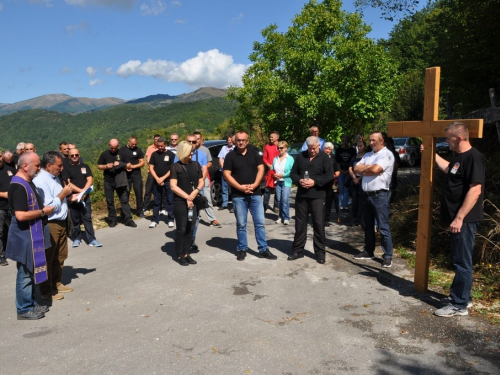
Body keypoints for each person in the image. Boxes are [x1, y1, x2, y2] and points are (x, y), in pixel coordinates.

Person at [430, 122, 485, 317]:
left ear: (459, 138)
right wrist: (431, 153)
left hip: (465, 220)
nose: (446, 141)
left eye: (448, 138)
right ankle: (463, 297)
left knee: (462, 261)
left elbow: (475, 189)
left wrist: (460, 217)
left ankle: (459, 304)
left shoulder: (473, 158)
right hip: (457, 218)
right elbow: (449, 170)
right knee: (459, 259)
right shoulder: (459, 158)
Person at [6, 152, 54, 320]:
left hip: (31, 233)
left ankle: (32, 303)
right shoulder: (18, 186)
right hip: (24, 235)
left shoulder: (27, 181)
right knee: (25, 272)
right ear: (25, 166)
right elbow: (20, 215)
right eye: (36, 165)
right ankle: (24, 308)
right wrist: (43, 211)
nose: (39, 168)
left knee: (31, 269)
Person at [223, 131, 277, 261]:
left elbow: (261, 169)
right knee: (241, 224)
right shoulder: (230, 156)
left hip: (255, 193)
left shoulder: (254, 153)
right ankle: (242, 248)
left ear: (247, 141)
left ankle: (263, 249)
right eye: (238, 140)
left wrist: (255, 184)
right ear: (235, 141)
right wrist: (239, 187)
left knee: (259, 223)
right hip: (238, 195)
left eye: (243, 140)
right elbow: (226, 174)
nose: (241, 142)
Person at [33, 151, 74, 300]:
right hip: (50, 222)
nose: (61, 168)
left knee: (60, 255)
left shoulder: (54, 177)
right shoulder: (41, 181)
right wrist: (63, 194)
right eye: (59, 165)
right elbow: (48, 205)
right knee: (47, 257)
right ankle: (46, 290)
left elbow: (58, 199)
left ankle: (56, 282)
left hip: (61, 221)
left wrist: (68, 196)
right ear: (49, 165)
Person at [289, 136, 333, 264]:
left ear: (318, 146)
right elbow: (293, 173)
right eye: (310, 149)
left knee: (318, 224)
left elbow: (329, 175)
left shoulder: (324, 157)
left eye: (314, 148)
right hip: (302, 196)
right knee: (300, 224)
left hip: (318, 196)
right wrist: (299, 180)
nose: (312, 151)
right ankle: (297, 250)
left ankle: (320, 252)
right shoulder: (301, 156)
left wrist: (315, 182)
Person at [353, 132, 395, 267]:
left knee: (383, 226)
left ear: (381, 141)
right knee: (368, 226)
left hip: (379, 195)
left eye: (374, 140)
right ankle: (369, 251)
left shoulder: (387, 154)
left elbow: (376, 169)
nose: (371, 143)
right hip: (366, 194)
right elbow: (356, 169)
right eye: (370, 140)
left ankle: (387, 255)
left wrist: (367, 169)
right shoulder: (368, 155)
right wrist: (369, 169)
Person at [170, 141, 205, 266]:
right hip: (180, 202)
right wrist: (187, 198)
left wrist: (195, 192)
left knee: (190, 228)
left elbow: (201, 181)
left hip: (193, 201)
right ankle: (179, 255)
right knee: (181, 229)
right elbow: (173, 186)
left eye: (192, 152)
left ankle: (187, 253)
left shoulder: (196, 165)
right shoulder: (176, 167)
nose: (191, 154)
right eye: (189, 152)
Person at [62, 148, 102, 248]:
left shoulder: (85, 166)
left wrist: (84, 192)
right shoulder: (66, 168)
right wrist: (81, 192)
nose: (74, 157)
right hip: (73, 197)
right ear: (69, 156)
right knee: (75, 220)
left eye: (76, 155)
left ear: (79, 155)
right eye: (72, 155)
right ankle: (77, 238)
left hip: (85, 197)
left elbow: (90, 180)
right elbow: (67, 183)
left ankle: (92, 239)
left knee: (87, 218)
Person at [97, 139, 136, 228]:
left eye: (115, 148)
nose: (113, 149)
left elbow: (129, 165)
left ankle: (128, 219)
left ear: (118, 145)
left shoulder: (122, 153)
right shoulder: (104, 154)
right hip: (108, 181)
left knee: (124, 200)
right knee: (110, 201)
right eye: (112, 147)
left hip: (120, 180)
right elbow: (99, 166)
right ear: (109, 145)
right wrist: (106, 166)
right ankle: (112, 219)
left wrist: (120, 163)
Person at [193, 131, 222, 228]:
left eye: (198, 138)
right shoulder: (188, 150)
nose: (197, 140)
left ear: (201, 139)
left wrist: (203, 167)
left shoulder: (205, 150)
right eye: (195, 138)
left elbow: (210, 162)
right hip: (191, 178)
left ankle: (212, 219)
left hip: (203, 176)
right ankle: (194, 217)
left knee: (207, 198)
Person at [148, 137, 175, 228]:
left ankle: (171, 219)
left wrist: (163, 178)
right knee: (156, 201)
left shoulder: (171, 154)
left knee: (170, 200)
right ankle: (155, 219)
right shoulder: (154, 154)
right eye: (158, 146)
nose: (160, 148)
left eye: (161, 146)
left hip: (168, 181)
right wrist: (157, 179)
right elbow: (151, 168)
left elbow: (172, 169)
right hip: (157, 181)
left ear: (165, 145)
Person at [119, 136, 145, 215]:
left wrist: (133, 166)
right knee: (126, 193)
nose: (134, 145)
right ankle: (126, 212)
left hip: (136, 174)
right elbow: (118, 162)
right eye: (132, 144)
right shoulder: (122, 150)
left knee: (139, 193)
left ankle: (140, 211)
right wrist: (125, 166)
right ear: (128, 142)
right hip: (126, 174)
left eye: (135, 144)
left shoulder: (138, 150)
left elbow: (142, 162)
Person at [272, 141, 294, 225]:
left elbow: (291, 171)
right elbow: (272, 169)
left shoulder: (290, 158)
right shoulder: (275, 158)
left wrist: (282, 175)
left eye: (281, 148)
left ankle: (286, 217)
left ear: (286, 148)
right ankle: (280, 216)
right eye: (278, 148)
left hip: (286, 181)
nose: (279, 149)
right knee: (279, 200)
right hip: (277, 181)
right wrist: (274, 174)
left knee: (284, 200)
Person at [0, 150, 16, 266]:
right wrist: (4, 194)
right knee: (0, 232)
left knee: (14, 230)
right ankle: (1, 256)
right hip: (0, 207)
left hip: (12, 205)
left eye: (0, 156)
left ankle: (15, 251)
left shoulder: (10, 169)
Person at [349, 139, 368, 227]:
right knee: (354, 200)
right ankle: (354, 218)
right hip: (354, 180)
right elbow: (350, 168)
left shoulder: (367, 157)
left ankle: (361, 219)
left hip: (362, 179)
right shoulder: (354, 157)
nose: (359, 147)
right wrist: (354, 178)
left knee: (362, 200)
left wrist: (359, 178)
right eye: (358, 146)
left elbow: (367, 169)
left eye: (361, 146)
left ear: (365, 146)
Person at [336, 135, 356, 211]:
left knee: (346, 188)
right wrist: (340, 170)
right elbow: (337, 161)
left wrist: (348, 170)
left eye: (346, 140)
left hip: (349, 170)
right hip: (341, 169)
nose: (344, 142)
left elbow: (353, 161)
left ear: (348, 141)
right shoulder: (338, 150)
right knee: (341, 188)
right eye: (343, 140)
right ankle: (340, 205)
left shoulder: (352, 150)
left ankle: (346, 205)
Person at [142, 134, 161, 215]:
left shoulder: (162, 148)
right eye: (155, 139)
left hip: (160, 173)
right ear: (153, 140)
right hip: (151, 172)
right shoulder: (150, 148)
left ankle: (161, 207)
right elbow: (149, 161)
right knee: (148, 190)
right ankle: (145, 207)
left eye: (158, 139)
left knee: (160, 190)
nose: (156, 141)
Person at [323, 142, 341, 226]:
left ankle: (327, 219)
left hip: (330, 183)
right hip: (320, 183)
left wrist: (333, 176)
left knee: (329, 202)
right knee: (320, 202)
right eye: (326, 148)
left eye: (329, 149)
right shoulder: (319, 159)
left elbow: (337, 171)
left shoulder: (333, 160)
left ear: (331, 150)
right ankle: (319, 219)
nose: (327, 150)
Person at [263, 131, 280, 213]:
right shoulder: (267, 146)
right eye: (270, 137)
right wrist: (268, 165)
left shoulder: (280, 146)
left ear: (277, 138)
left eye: (272, 137)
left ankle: (276, 206)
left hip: (278, 171)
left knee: (277, 189)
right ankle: (264, 206)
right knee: (267, 189)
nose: (270, 138)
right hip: (269, 171)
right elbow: (264, 158)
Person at [217, 134, 235, 212]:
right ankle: (224, 204)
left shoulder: (235, 148)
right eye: (228, 140)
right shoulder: (223, 148)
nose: (229, 141)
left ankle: (234, 205)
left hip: (233, 172)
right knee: (224, 188)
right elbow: (220, 158)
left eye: (231, 140)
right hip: (224, 171)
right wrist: (224, 168)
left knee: (233, 188)